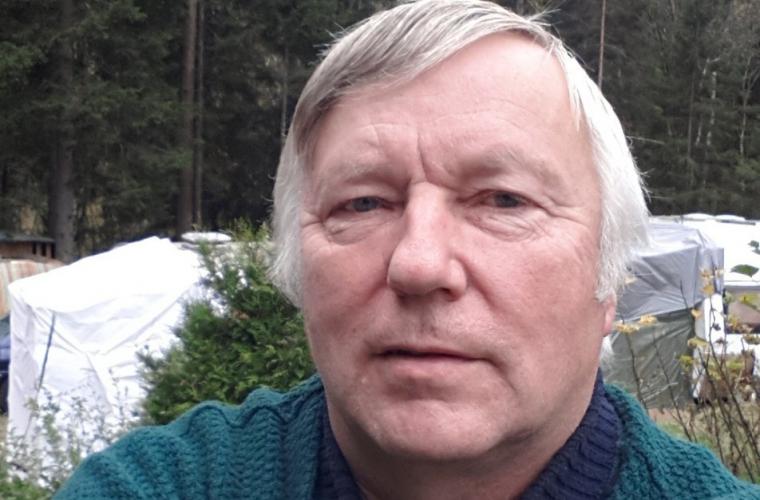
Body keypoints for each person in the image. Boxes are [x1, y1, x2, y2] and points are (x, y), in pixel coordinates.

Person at [56, 1, 760, 498]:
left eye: (503, 201)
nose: (419, 264)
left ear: (609, 280)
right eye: (362, 203)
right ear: (297, 270)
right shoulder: (160, 486)